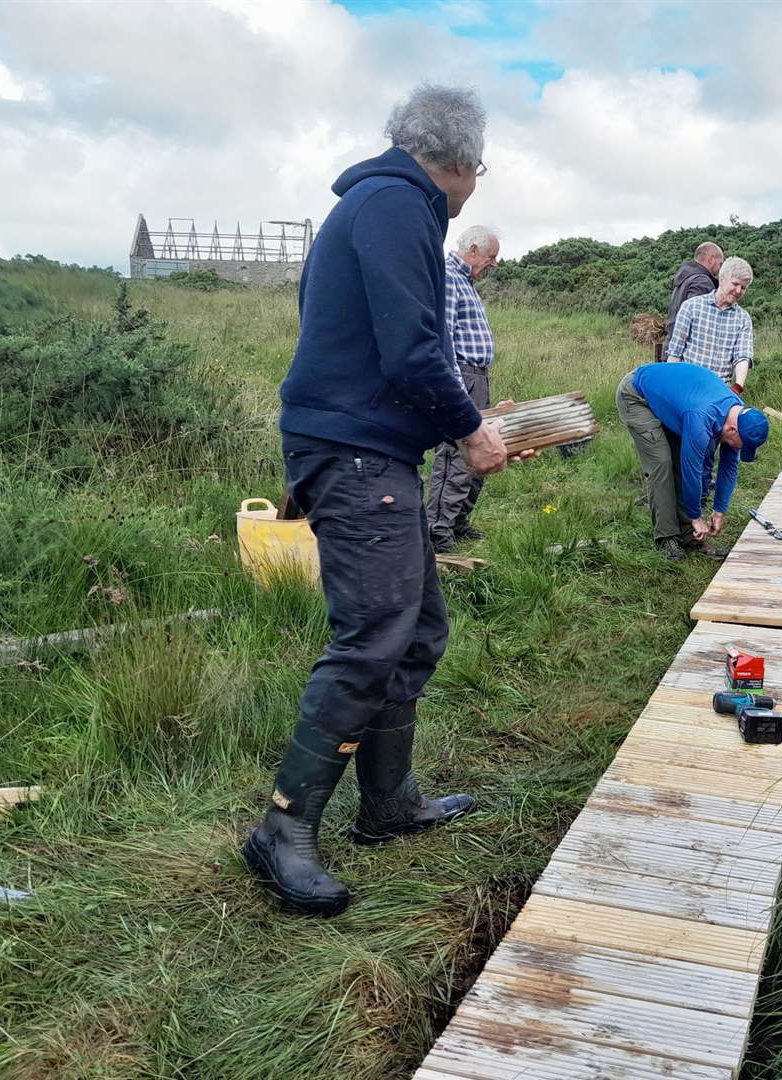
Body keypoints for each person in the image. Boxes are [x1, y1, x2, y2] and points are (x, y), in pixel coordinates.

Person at [243, 85, 533, 917]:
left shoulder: (374, 205)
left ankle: (389, 804)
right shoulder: (398, 205)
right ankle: (283, 830)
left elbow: (381, 346)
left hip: (371, 448)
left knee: (418, 627)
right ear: (462, 165)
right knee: (371, 637)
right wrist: (470, 433)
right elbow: (410, 350)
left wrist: (468, 415)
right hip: (356, 453)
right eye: (478, 169)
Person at [616, 362, 769, 561]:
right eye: (741, 445)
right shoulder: (701, 417)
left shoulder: (736, 414)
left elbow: (729, 468)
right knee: (662, 463)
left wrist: (719, 511)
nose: (739, 449)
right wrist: (696, 517)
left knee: (684, 457)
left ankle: (689, 536)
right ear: (732, 430)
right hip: (637, 394)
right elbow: (692, 471)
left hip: (676, 400)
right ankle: (667, 537)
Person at [428, 224, 500, 553]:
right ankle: (437, 531)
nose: (494, 263)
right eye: (491, 256)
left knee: (480, 449)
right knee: (456, 455)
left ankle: (457, 521)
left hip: (477, 377)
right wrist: (456, 388)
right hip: (464, 377)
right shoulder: (449, 277)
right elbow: (444, 336)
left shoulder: (466, 281)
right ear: (471, 250)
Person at [665, 256, 755, 393]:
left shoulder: (743, 318)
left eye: (743, 288)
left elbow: (742, 356)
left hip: (720, 391)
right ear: (722, 278)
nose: (738, 291)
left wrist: (737, 386)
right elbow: (675, 352)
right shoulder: (691, 306)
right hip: (688, 387)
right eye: (735, 284)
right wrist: (671, 387)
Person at [658, 241, 723, 363]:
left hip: (670, 346)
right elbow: (698, 323)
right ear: (712, 259)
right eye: (720, 264)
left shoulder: (685, 277)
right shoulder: (701, 281)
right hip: (685, 354)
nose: (720, 269)